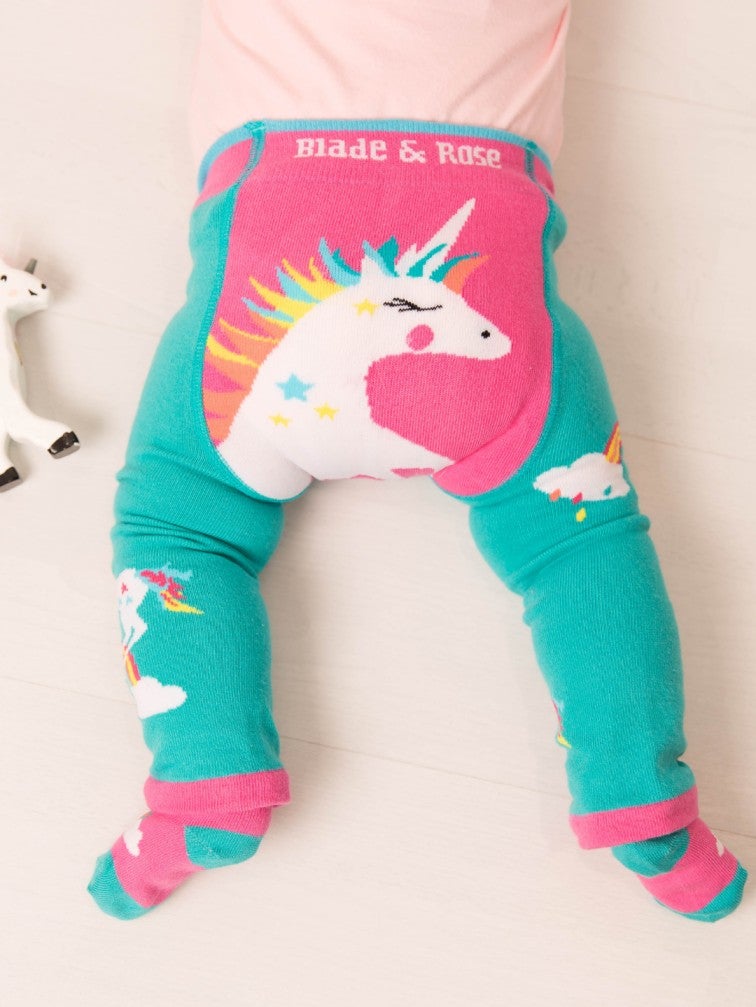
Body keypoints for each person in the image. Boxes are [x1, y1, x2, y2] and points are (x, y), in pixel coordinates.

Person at [88, 0, 746, 920]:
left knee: (178, 529)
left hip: (272, 261)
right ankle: (646, 809)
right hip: (488, 274)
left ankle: (205, 785)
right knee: (580, 545)